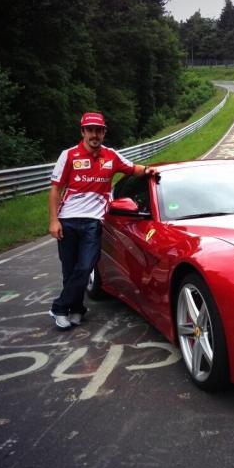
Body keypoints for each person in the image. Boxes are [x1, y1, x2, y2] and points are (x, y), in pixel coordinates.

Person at [48, 112, 146, 329]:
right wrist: (54, 221)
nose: (94, 134)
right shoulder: (69, 155)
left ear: (104, 132)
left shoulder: (111, 156)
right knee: (70, 271)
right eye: (90, 130)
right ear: (83, 131)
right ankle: (76, 309)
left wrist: (149, 171)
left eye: (99, 130)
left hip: (93, 222)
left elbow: (133, 169)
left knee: (85, 267)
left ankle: (59, 308)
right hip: (67, 220)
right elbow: (55, 190)